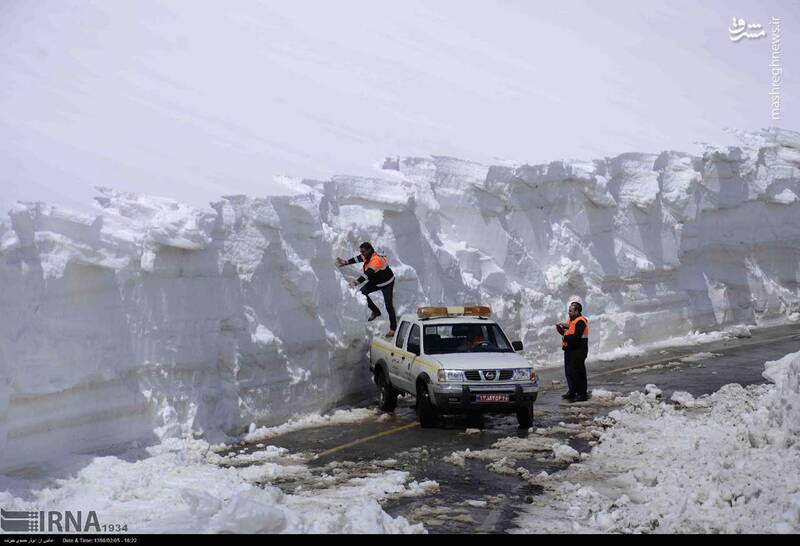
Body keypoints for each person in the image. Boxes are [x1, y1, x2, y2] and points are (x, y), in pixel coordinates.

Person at [336, 242, 397, 338]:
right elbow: (359, 258)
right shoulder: (367, 255)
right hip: (376, 281)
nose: (362, 253)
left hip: (387, 283)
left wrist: (355, 282)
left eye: (363, 251)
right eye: (361, 251)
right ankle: (376, 311)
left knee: (389, 306)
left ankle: (393, 329)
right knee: (363, 293)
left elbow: (367, 274)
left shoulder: (376, 260)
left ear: (369, 250)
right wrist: (346, 262)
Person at [555, 301, 589, 402]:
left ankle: (582, 393)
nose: (568, 313)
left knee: (578, 372)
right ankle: (572, 391)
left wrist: (566, 337)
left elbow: (577, 336)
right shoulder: (571, 321)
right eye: (568, 311)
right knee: (569, 372)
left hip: (578, 350)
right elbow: (567, 333)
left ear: (577, 311)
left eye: (570, 311)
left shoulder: (581, 321)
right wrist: (560, 329)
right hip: (570, 350)